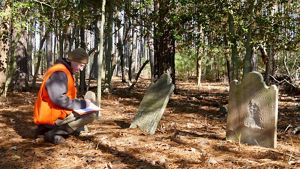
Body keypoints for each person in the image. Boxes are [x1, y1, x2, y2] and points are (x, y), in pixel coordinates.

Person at [33, 48, 99, 144]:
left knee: (89, 101)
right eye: (81, 65)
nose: (81, 69)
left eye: (83, 66)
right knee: (91, 115)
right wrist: (82, 104)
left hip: (54, 113)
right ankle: (54, 133)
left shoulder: (63, 70)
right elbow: (59, 99)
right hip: (51, 117)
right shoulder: (60, 73)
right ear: (72, 61)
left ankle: (50, 132)